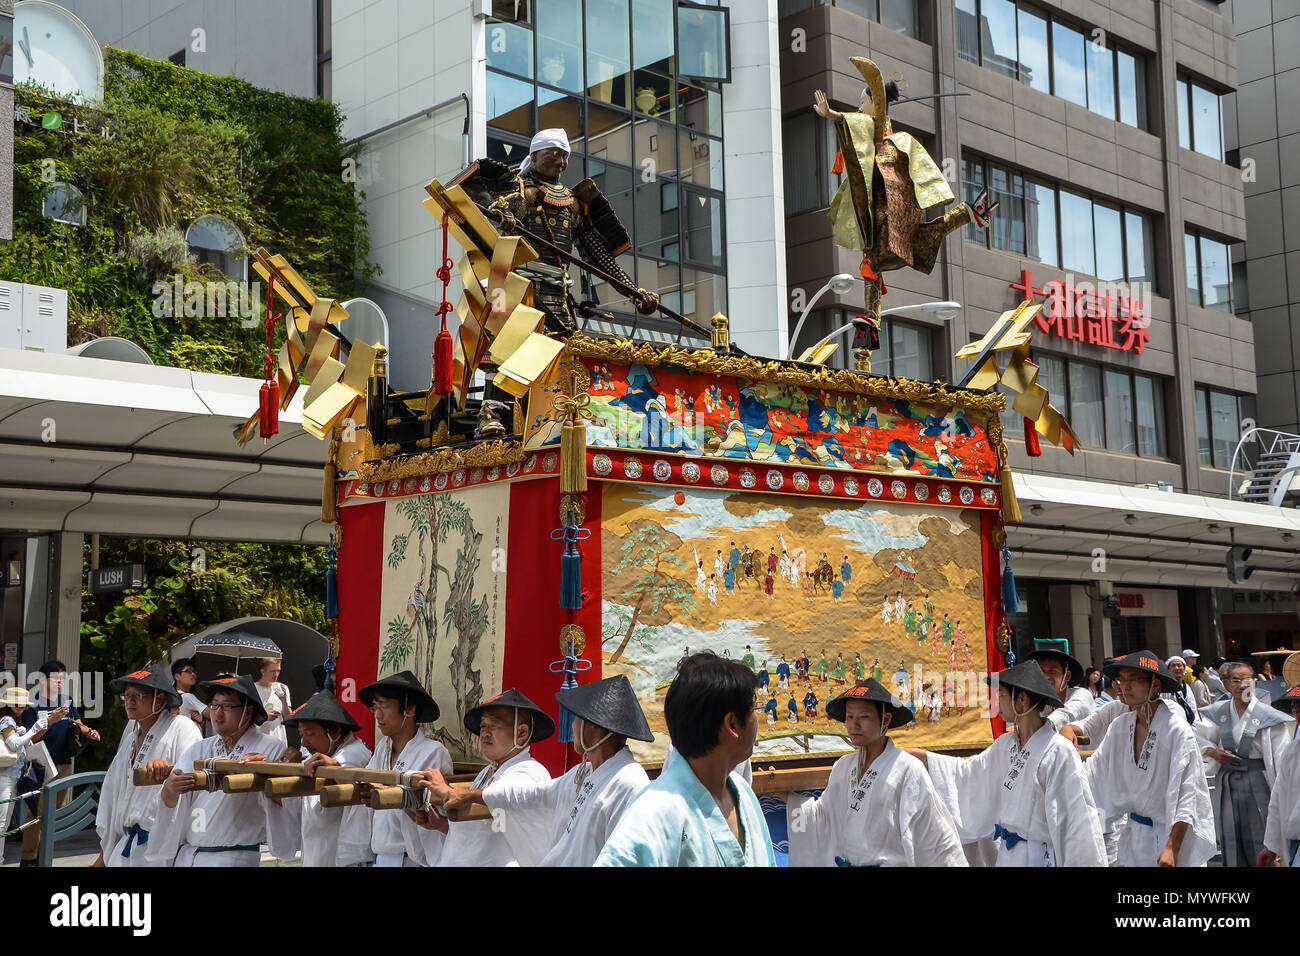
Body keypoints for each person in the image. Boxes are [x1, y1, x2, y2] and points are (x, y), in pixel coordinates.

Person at [907, 661, 1106, 867]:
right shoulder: (1005, 745)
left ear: (1021, 699)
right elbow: (968, 774)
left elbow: (1077, 825)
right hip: (1008, 856)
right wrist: (920, 758)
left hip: (1039, 856)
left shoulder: (1058, 751)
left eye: (1001, 694)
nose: (996, 702)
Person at [596, 653, 774, 866]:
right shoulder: (652, 815)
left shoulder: (743, 794)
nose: (757, 719)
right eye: (754, 709)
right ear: (733, 724)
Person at [469, 676, 653, 867]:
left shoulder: (628, 781)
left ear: (594, 726)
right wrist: (474, 796)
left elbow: (626, 858)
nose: (572, 726)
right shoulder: (584, 773)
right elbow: (535, 794)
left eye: (577, 720)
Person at [486, 128, 658, 330]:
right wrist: (503, 217)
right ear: (534, 156)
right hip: (520, 290)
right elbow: (495, 215)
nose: (561, 162)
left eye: (565, 156)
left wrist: (635, 293)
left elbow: (599, 257)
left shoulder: (574, 203)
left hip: (560, 294)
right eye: (554, 155)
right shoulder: (519, 190)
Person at [783, 679, 966, 867]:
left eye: (863, 717)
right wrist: (787, 797)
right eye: (849, 717)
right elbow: (822, 820)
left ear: (885, 720)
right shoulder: (843, 767)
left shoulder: (908, 770)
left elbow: (933, 838)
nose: (854, 725)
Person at [1083, 651, 1216, 867]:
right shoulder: (1119, 727)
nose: (1125, 687)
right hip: (1133, 837)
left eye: (1134, 680)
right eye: (1122, 680)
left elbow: (1189, 793)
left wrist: (1172, 848)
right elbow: (1093, 772)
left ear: (1155, 686)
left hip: (1168, 836)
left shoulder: (1176, 730)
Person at [149, 674, 298, 866]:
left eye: (227, 706)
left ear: (247, 711)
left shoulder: (270, 747)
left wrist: (262, 773)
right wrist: (170, 788)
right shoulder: (200, 748)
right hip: (190, 855)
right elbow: (171, 800)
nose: (218, 713)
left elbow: (286, 803)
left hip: (234, 856)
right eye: (214, 705)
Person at [423, 688, 554, 866]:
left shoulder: (530, 771)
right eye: (483, 726)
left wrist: (451, 792)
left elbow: (504, 795)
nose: (485, 733)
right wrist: (442, 825)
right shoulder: (488, 772)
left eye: (494, 725)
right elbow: (491, 830)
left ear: (521, 733)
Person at [93, 666, 202, 867]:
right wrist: (104, 855)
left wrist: (170, 769)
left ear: (159, 699)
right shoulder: (129, 740)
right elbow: (112, 794)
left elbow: (194, 777)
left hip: (163, 846)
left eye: (137, 695)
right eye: (127, 695)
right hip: (126, 844)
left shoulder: (182, 727)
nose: (130, 701)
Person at [1196, 661, 1295, 867]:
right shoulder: (1219, 711)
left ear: (1255, 685)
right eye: (1236, 681)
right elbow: (1197, 737)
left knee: (1261, 833)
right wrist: (1213, 752)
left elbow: (1282, 758)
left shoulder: (1269, 717)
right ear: (1228, 685)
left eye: (1247, 681)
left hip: (1259, 781)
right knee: (1230, 834)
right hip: (1227, 781)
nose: (1242, 686)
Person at [354, 670, 451, 867]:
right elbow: (367, 782)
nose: (377, 715)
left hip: (412, 858)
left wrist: (390, 795)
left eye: (384, 706)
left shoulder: (433, 752)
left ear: (409, 709)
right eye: (375, 708)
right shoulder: (383, 747)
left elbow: (430, 806)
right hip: (381, 856)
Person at [20, 660, 99, 865]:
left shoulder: (67, 701)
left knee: (53, 813)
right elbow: (32, 738)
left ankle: (43, 854)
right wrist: (51, 720)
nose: (60, 682)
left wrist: (88, 732)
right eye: (56, 678)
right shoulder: (33, 704)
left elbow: (77, 723)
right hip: (41, 765)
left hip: (64, 763)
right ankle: (28, 858)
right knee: (36, 812)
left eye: (62, 678)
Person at [281, 691, 373, 867]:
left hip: (341, 857)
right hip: (316, 852)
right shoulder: (317, 753)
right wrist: (292, 769)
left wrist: (335, 770)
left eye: (310, 733)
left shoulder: (354, 753)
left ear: (335, 731)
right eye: (302, 734)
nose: (304, 743)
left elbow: (327, 807)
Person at [1, 687, 66, 849]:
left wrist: (26, 733)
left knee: (4, 824)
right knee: (2, 824)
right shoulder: (7, 719)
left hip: (11, 776)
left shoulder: (15, 721)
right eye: (16, 704)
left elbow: (23, 744)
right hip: (5, 777)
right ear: (9, 704)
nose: (20, 707)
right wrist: (34, 729)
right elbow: (14, 744)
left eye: (23, 705)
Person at [1261, 686, 1300, 866]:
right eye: (1294, 705)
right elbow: (1278, 798)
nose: (1297, 709)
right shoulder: (1292, 751)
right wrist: (1272, 845)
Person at [1023, 646, 1094, 730]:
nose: (1045, 677)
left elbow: (1066, 714)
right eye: (1041, 671)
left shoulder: (1082, 695)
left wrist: (1036, 727)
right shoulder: (1035, 700)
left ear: (1067, 676)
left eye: (1052, 671)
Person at [254, 657, 292, 745]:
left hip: (279, 739)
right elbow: (245, 717)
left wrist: (284, 701)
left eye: (278, 671)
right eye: (272, 671)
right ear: (263, 671)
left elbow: (288, 718)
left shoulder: (283, 688)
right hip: (258, 741)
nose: (276, 674)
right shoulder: (253, 689)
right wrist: (264, 716)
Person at [170, 658, 206, 728]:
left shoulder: (173, 696)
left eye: (194, 671)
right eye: (188, 671)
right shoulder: (187, 697)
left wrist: (200, 722)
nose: (193, 674)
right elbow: (211, 714)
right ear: (177, 676)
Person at [1162, 655, 1198, 723]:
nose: (1176, 668)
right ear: (1168, 670)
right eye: (1173, 666)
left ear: (1184, 669)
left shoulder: (1187, 688)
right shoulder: (1164, 689)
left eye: (1179, 665)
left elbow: (1193, 709)